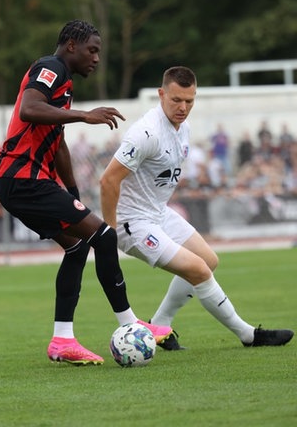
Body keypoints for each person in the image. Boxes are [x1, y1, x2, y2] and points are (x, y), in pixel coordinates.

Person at [0, 19, 172, 365]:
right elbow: (29, 109)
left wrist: (73, 193)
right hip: (22, 178)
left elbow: (57, 144)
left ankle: (62, 341)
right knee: (104, 237)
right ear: (72, 45)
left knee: (78, 248)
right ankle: (130, 323)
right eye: (93, 50)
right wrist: (85, 116)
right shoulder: (50, 67)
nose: (97, 58)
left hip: (27, 182)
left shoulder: (65, 82)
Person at [100, 66, 294, 349]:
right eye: (176, 100)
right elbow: (108, 180)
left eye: (189, 101)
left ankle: (161, 325)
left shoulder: (184, 128)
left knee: (209, 260)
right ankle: (248, 334)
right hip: (134, 222)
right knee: (199, 271)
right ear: (161, 94)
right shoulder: (145, 133)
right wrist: (109, 231)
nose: (183, 107)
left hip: (159, 212)